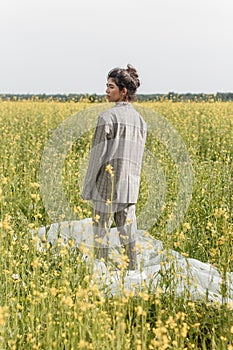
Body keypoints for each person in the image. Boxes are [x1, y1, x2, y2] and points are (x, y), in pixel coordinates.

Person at [82, 64, 147, 270]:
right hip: (130, 188)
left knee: (100, 238)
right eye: (106, 86)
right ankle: (133, 278)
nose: (106, 91)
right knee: (129, 241)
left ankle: (100, 276)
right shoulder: (140, 121)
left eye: (111, 87)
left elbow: (97, 157)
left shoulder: (107, 117)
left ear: (123, 91)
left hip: (106, 188)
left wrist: (87, 188)